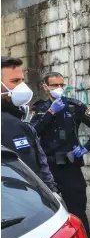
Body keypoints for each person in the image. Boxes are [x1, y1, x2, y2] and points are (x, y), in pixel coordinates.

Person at [31, 72, 90, 238]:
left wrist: (87, 147)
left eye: (62, 84)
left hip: (71, 168)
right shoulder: (39, 109)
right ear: (45, 87)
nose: (59, 88)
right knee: (50, 217)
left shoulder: (75, 105)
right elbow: (32, 132)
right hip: (48, 171)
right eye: (54, 85)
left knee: (78, 214)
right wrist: (50, 114)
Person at [1, 57, 57, 193]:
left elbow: (38, 164)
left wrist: (52, 193)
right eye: (15, 81)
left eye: (22, 80)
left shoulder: (17, 117)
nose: (22, 86)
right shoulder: (7, 123)